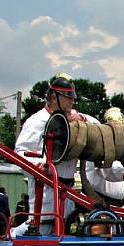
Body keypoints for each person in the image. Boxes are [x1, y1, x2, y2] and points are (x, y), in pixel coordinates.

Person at [13, 73, 99, 235]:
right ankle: (10, 239)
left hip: (67, 193)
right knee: (40, 229)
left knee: (64, 231)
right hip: (45, 191)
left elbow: (96, 124)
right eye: (68, 97)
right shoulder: (37, 121)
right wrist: (39, 166)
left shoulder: (74, 118)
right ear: (54, 97)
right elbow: (20, 153)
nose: (72, 101)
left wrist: (80, 118)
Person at [83, 107, 124, 207]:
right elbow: (106, 169)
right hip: (106, 192)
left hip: (112, 190)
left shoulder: (100, 139)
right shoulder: (102, 144)